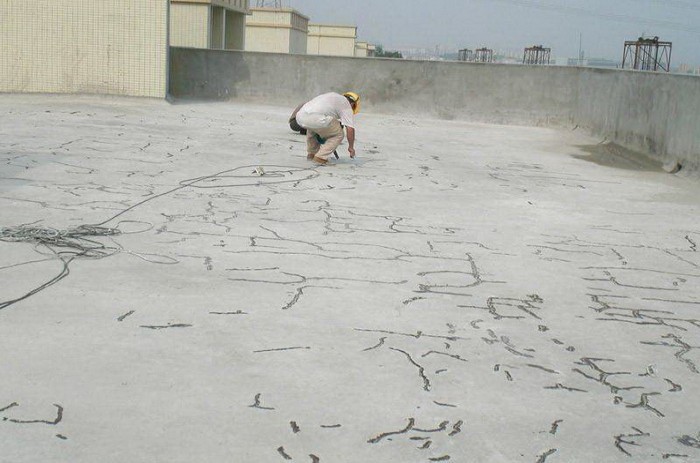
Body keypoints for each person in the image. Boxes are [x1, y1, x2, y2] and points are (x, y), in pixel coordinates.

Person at [295, 92, 360, 165]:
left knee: (313, 127)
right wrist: (351, 148)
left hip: (300, 116)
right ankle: (320, 158)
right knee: (339, 134)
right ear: (353, 104)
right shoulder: (346, 105)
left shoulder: (332, 96)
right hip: (316, 118)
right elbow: (350, 129)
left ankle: (312, 155)